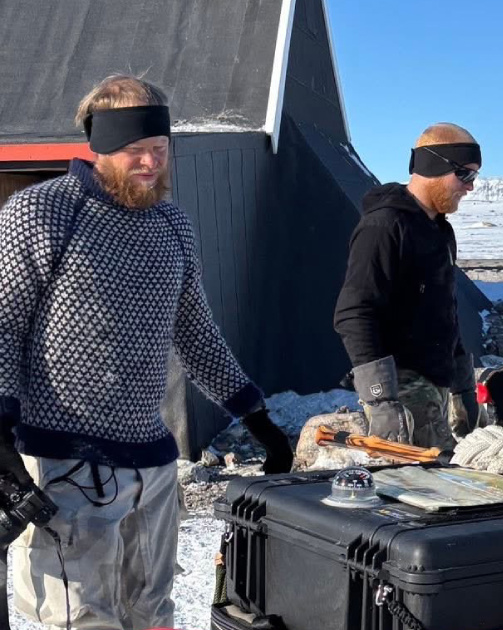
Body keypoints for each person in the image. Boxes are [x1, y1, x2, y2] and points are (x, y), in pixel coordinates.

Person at [0, 75, 293, 629]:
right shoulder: (40, 214)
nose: (151, 164)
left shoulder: (172, 226)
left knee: (154, 612)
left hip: (153, 470)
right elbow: (2, 325)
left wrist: (257, 419)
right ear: (100, 145)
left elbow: (197, 335)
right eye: (136, 151)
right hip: (65, 462)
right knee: (81, 618)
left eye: (159, 150)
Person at [334, 123, 482, 449]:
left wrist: (463, 387)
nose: (470, 188)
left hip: (435, 388)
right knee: (430, 490)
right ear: (435, 166)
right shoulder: (384, 226)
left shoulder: (440, 231)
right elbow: (354, 313)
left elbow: (444, 313)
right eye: (465, 175)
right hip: (403, 392)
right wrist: (381, 401)